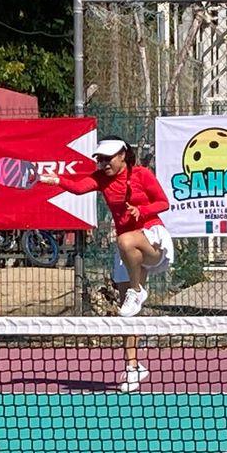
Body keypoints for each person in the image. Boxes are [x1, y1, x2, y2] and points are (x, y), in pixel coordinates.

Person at [36, 138, 173, 392]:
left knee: (124, 239)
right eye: (100, 158)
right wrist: (56, 180)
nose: (103, 162)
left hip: (151, 238)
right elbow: (78, 188)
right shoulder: (101, 178)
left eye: (108, 157)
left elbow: (164, 203)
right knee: (127, 310)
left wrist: (141, 212)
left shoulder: (142, 174)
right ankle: (133, 367)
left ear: (123, 155)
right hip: (126, 251)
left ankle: (138, 290)